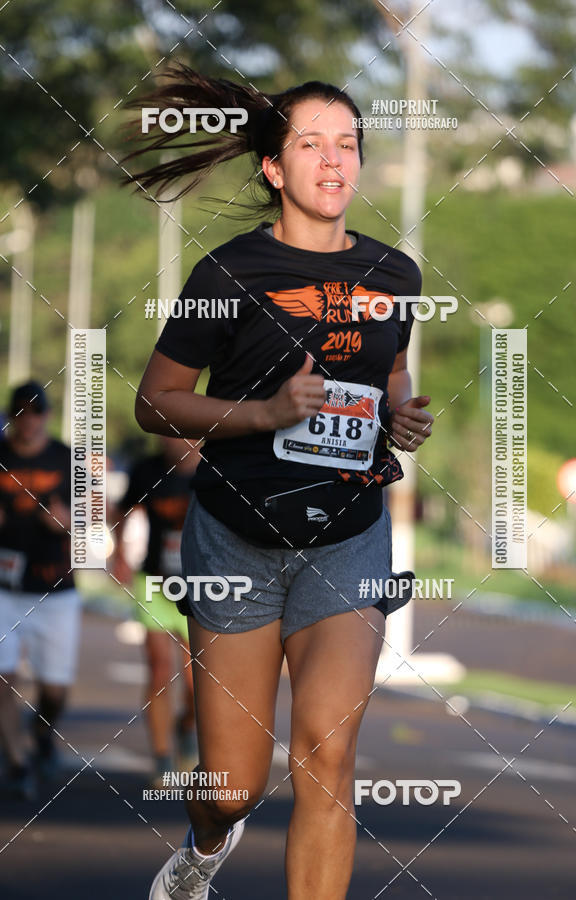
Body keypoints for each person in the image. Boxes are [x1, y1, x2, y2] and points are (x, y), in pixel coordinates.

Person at [122, 66, 434, 900]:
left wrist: (399, 412)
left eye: (347, 144)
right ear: (273, 168)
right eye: (311, 144)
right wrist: (263, 414)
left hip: (348, 538)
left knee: (327, 759)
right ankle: (204, 847)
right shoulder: (228, 275)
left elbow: (390, 367)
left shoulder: (394, 276)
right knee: (231, 788)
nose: (334, 161)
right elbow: (156, 402)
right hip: (237, 542)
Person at [0, 381, 78, 799]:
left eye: (34, 413)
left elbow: (92, 524)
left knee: (55, 688)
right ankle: (17, 762)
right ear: (11, 417)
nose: (27, 421)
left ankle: (43, 732)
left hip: (55, 589)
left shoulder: (67, 459)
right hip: (4, 588)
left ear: (46, 415)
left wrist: (66, 523)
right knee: (2, 677)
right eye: (19, 413)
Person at [112, 436, 199, 787]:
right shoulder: (147, 470)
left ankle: (188, 726)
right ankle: (163, 759)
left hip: (201, 584)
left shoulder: (217, 467)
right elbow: (124, 510)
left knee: (197, 681)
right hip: (154, 580)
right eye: (168, 432)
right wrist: (119, 553)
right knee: (160, 667)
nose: (176, 440)